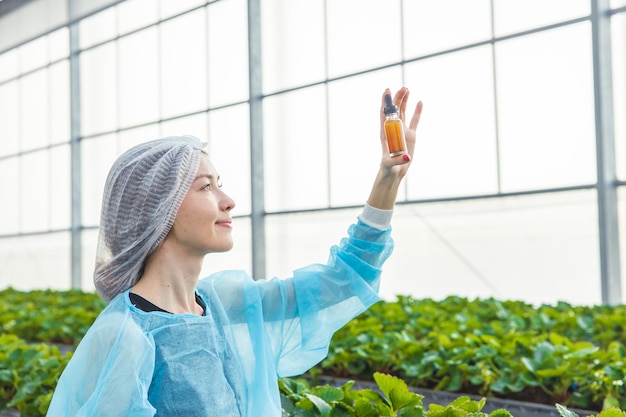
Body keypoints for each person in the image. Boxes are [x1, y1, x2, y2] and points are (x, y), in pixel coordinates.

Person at [46, 87, 423, 416]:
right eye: (206, 187)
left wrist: (388, 180)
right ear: (158, 209)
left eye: (220, 185)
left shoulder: (220, 302)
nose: (229, 202)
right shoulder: (125, 335)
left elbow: (339, 284)